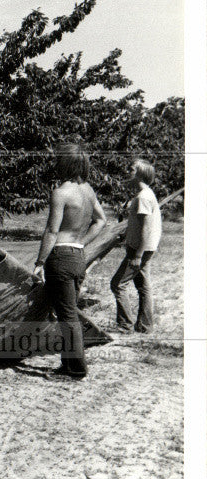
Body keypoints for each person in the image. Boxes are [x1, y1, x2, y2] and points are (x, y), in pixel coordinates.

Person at [33, 142, 107, 379]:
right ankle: (67, 365)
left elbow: (52, 231)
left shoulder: (60, 192)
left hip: (60, 256)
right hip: (77, 256)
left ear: (63, 164)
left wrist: (39, 262)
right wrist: (82, 243)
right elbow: (101, 221)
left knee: (67, 316)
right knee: (69, 311)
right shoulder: (88, 191)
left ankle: (76, 369)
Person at [110, 159, 161, 333]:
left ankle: (126, 326)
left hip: (140, 249)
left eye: (130, 169)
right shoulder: (145, 194)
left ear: (140, 174)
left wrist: (137, 255)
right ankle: (146, 326)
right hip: (145, 247)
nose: (127, 171)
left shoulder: (143, 197)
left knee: (118, 284)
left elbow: (146, 227)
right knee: (143, 285)